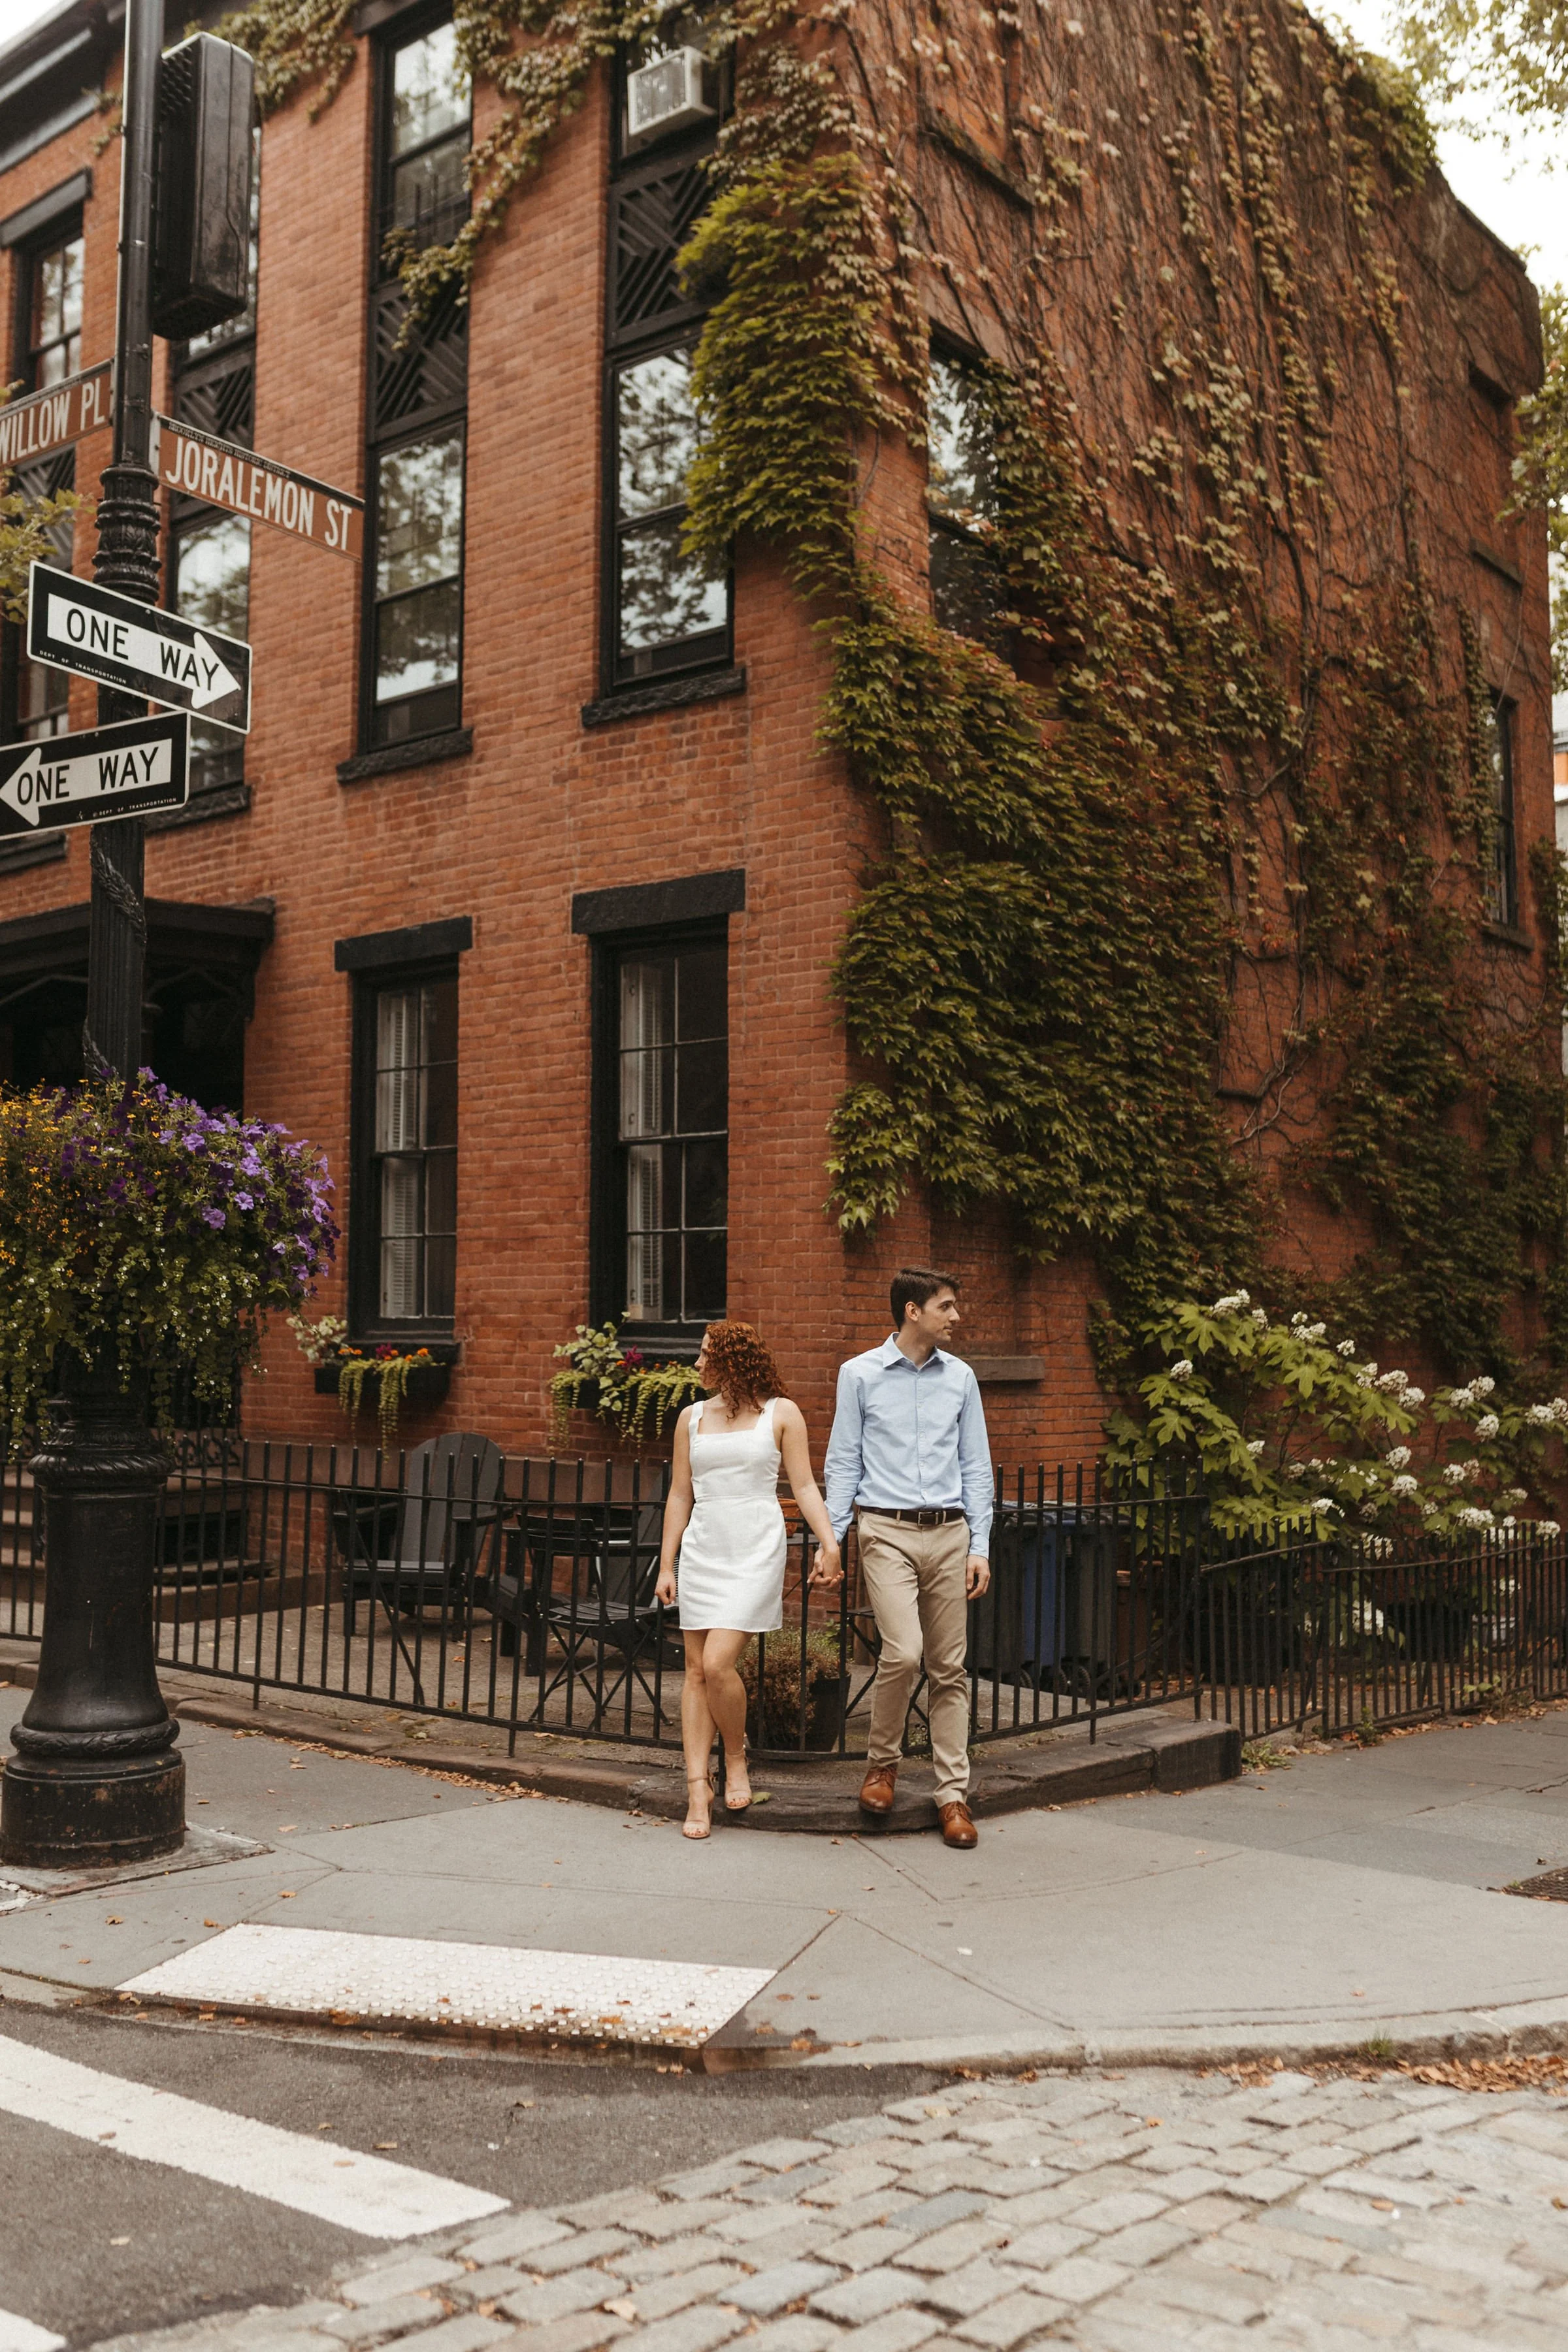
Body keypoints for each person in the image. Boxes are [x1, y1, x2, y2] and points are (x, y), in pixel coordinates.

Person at [817, 1267, 992, 1849]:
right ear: (913, 1311)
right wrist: (833, 1537)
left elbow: (976, 1467)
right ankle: (882, 1766)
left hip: (949, 1533)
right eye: (946, 1306)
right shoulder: (859, 1375)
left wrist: (980, 1546)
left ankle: (952, 1795)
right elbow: (843, 1462)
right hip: (886, 1530)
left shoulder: (961, 1378)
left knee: (950, 1668)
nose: (956, 1316)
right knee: (904, 1652)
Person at [656, 1320, 841, 1840]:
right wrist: (666, 1564)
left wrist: (829, 1542)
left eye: (704, 1354)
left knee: (718, 1664)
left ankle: (734, 1757)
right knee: (694, 1670)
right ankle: (698, 1786)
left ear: (733, 1360)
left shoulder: (782, 1413)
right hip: (705, 1544)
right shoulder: (690, 1419)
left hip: (756, 1543)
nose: (696, 1363)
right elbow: (679, 1496)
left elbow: (803, 1484)